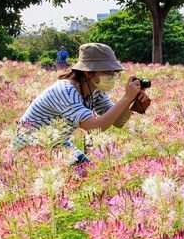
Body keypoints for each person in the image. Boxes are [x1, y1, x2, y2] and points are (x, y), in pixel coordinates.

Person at [13, 42, 148, 166]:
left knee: (90, 173)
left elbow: (118, 122)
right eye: (107, 71)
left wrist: (132, 101)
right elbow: (95, 127)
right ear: (88, 73)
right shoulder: (66, 91)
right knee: (85, 176)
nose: (112, 75)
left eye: (114, 72)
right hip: (30, 149)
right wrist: (125, 98)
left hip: (58, 144)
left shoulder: (95, 88)